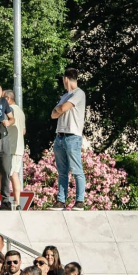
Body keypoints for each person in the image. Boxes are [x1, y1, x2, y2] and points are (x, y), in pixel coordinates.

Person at [50, 67, 87, 209]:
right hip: (60, 136)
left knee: (76, 170)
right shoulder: (64, 96)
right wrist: (59, 109)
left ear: (66, 79)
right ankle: (61, 200)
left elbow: (62, 109)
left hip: (72, 136)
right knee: (62, 172)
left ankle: (80, 200)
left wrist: (59, 109)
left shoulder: (79, 93)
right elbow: (53, 114)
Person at [3, 89, 26, 208]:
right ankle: (17, 203)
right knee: (14, 174)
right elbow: (24, 131)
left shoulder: (10, 110)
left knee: (5, 174)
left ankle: (6, 201)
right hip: (19, 148)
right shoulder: (21, 111)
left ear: (7, 99)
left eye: (2, 98)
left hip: (10, 148)